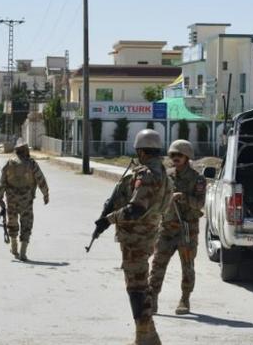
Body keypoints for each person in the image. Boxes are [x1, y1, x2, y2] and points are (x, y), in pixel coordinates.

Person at [94, 129, 172, 345]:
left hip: (136, 239)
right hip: (146, 235)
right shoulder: (162, 172)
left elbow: (136, 209)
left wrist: (108, 219)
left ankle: (144, 338)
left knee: (136, 289)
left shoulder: (146, 174)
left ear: (141, 151)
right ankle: (148, 335)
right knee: (140, 286)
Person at [148, 139, 205, 315]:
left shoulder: (197, 179)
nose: (175, 158)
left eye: (179, 155)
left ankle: (185, 299)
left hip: (186, 229)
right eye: (172, 155)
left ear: (187, 157)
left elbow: (200, 204)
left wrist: (184, 197)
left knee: (187, 265)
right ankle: (153, 298)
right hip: (166, 229)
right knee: (158, 264)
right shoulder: (167, 176)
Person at [0, 139, 49, 262]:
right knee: (26, 223)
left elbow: (2, 181)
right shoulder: (31, 164)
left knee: (12, 222)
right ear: (26, 151)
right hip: (26, 200)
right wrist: (46, 194)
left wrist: (0, 197)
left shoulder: (9, 163)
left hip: (11, 199)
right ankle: (23, 252)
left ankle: (14, 248)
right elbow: (40, 179)